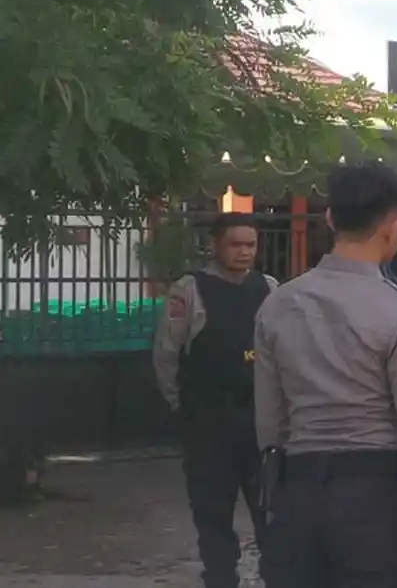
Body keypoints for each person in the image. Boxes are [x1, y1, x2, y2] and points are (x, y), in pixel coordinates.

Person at [253, 163, 397, 588]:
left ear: (331, 219)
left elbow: (269, 425)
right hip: (373, 506)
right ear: (394, 226)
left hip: (296, 497)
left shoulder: (278, 305)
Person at [151, 212, 277, 588]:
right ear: (215, 245)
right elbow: (166, 356)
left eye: (250, 244)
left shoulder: (269, 288)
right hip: (209, 423)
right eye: (235, 244)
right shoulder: (189, 290)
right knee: (213, 518)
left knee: (273, 517)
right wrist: (185, 407)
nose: (244, 252)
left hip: (260, 424)